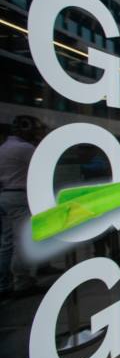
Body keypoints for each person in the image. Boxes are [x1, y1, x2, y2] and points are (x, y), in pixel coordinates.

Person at [0, 116, 45, 299]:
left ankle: (4, 283)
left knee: (7, 242)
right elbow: (44, 164)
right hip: (20, 196)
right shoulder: (25, 149)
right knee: (23, 241)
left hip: (5, 195)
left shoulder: (3, 148)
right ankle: (22, 282)